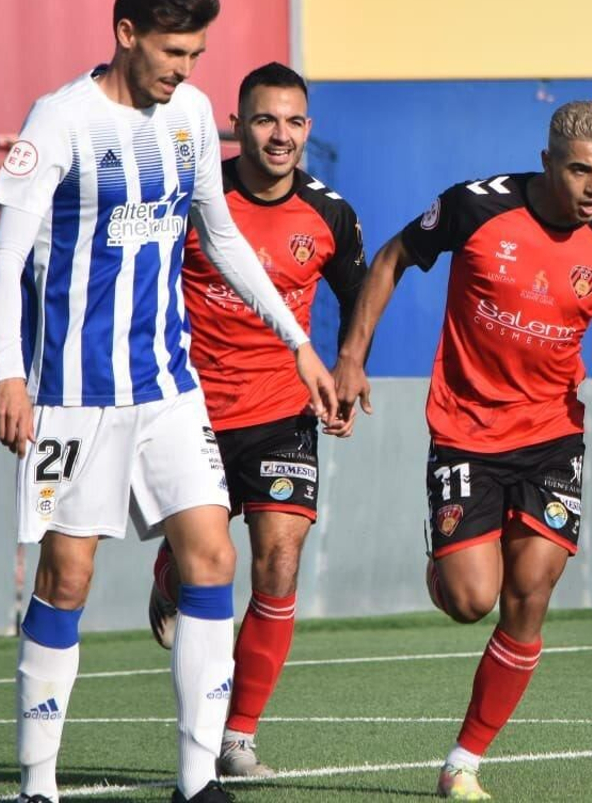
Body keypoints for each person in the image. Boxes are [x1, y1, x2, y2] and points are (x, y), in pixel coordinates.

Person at [0, 0, 338, 803]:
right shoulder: (61, 118)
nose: (186, 68)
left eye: (197, 52)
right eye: (174, 50)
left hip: (170, 388)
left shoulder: (185, 115)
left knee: (213, 556)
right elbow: (4, 259)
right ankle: (38, 783)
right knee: (66, 576)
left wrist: (299, 344)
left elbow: (221, 233)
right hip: (72, 393)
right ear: (126, 31)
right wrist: (8, 371)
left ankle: (196, 779)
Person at [333, 100, 592, 801]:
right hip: (466, 431)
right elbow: (390, 258)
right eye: (579, 170)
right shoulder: (476, 208)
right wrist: (352, 357)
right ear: (547, 162)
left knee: (530, 589)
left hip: (551, 436)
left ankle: (463, 761)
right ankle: (447, 567)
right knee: (471, 598)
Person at [144, 62, 367, 777]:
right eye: (266, 120)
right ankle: (172, 565)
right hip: (192, 409)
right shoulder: (194, 200)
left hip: (281, 413)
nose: (281, 135)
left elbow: (362, 295)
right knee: (212, 558)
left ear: (309, 128)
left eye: (294, 121)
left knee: (278, 558)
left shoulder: (330, 214)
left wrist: (347, 366)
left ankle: (237, 736)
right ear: (237, 125)